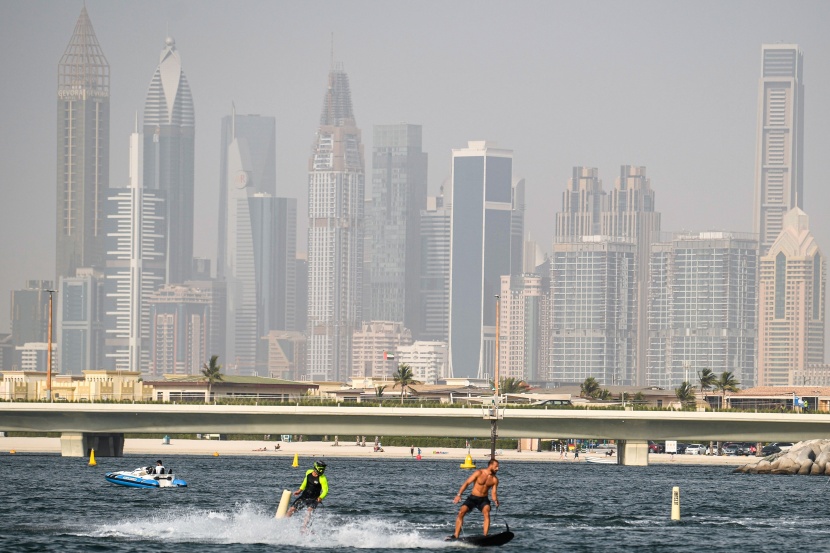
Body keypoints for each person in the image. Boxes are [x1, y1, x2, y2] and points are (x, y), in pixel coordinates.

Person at [448, 459, 500, 539]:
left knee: (487, 512)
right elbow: (467, 483)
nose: (497, 468)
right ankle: (456, 535)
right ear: (491, 465)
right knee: (461, 512)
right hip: (473, 498)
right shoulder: (479, 473)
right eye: (496, 466)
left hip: (483, 499)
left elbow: (493, 492)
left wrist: (495, 500)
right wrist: (459, 495)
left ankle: (485, 536)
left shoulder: (494, 480)